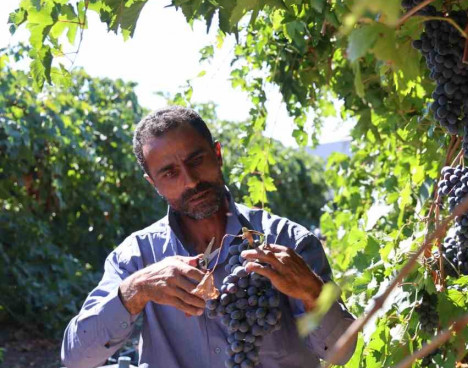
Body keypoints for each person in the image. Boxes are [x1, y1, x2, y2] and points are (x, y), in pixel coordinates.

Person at [60, 106, 356, 368]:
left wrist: (311, 291)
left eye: (196, 160)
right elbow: (77, 358)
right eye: (169, 173)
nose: (190, 181)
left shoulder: (288, 241)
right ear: (153, 184)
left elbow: (342, 353)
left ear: (217, 154)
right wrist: (135, 291)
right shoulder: (137, 256)